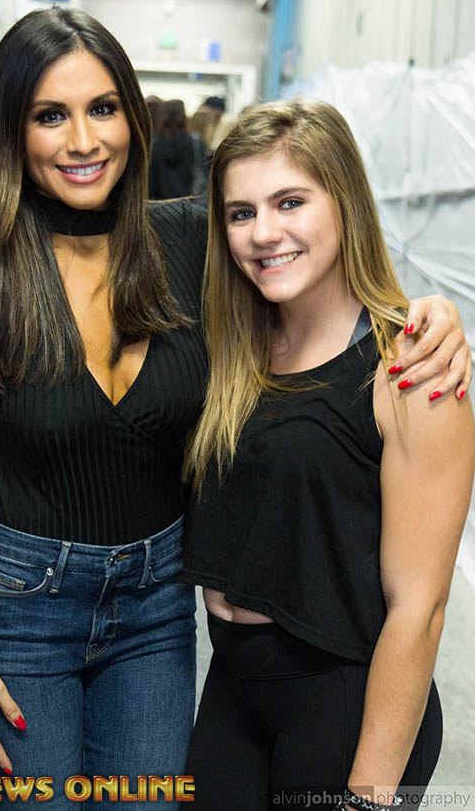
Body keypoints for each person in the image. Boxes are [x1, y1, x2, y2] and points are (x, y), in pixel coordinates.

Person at [0, 7, 468, 808]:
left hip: (156, 604)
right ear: (10, 128)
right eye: (50, 115)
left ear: (132, 118)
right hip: (23, 599)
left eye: (103, 108)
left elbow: (314, 264)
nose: (83, 140)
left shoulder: (192, 242)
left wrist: (429, 314)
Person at [180, 101, 475, 810]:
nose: (264, 233)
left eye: (290, 202)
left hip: (345, 697)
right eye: (242, 212)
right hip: (232, 685)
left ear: (344, 203)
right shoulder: (232, 346)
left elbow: (421, 608)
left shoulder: (410, 368)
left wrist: (370, 797)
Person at [149, 99, 207, 199]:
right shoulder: (195, 142)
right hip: (190, 201)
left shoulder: (153, 144)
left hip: (160, 202)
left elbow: (150, 178)